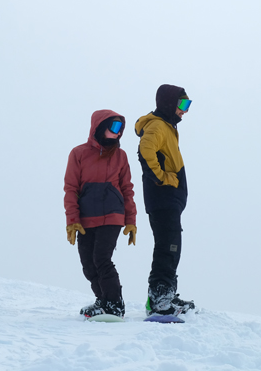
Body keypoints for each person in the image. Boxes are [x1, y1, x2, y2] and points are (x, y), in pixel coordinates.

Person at [63, 109, 138, 319]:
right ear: (99, 127)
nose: (119, 132)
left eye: (121, 128)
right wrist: (72, 221)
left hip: (112, 215)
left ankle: (114, 303)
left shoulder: (120, 156)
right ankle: (103, 300)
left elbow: (127, 189)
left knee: (102, 258)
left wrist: (131, 221)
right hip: (87, 217)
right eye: (115, 127)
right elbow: (71, 189)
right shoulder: (78, 154)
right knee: (88, 263)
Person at [135, 84, 195, 317]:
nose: (185, 111)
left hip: (167, 200)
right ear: (169, 103)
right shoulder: (158, 126)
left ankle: (164, 294)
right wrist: (162, 178)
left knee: (170, 246)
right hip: (163, 198)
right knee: (168, 247)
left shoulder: (165, 126)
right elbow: (145, 150)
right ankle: (160, 298)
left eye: (188, 105)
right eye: (182, 105)